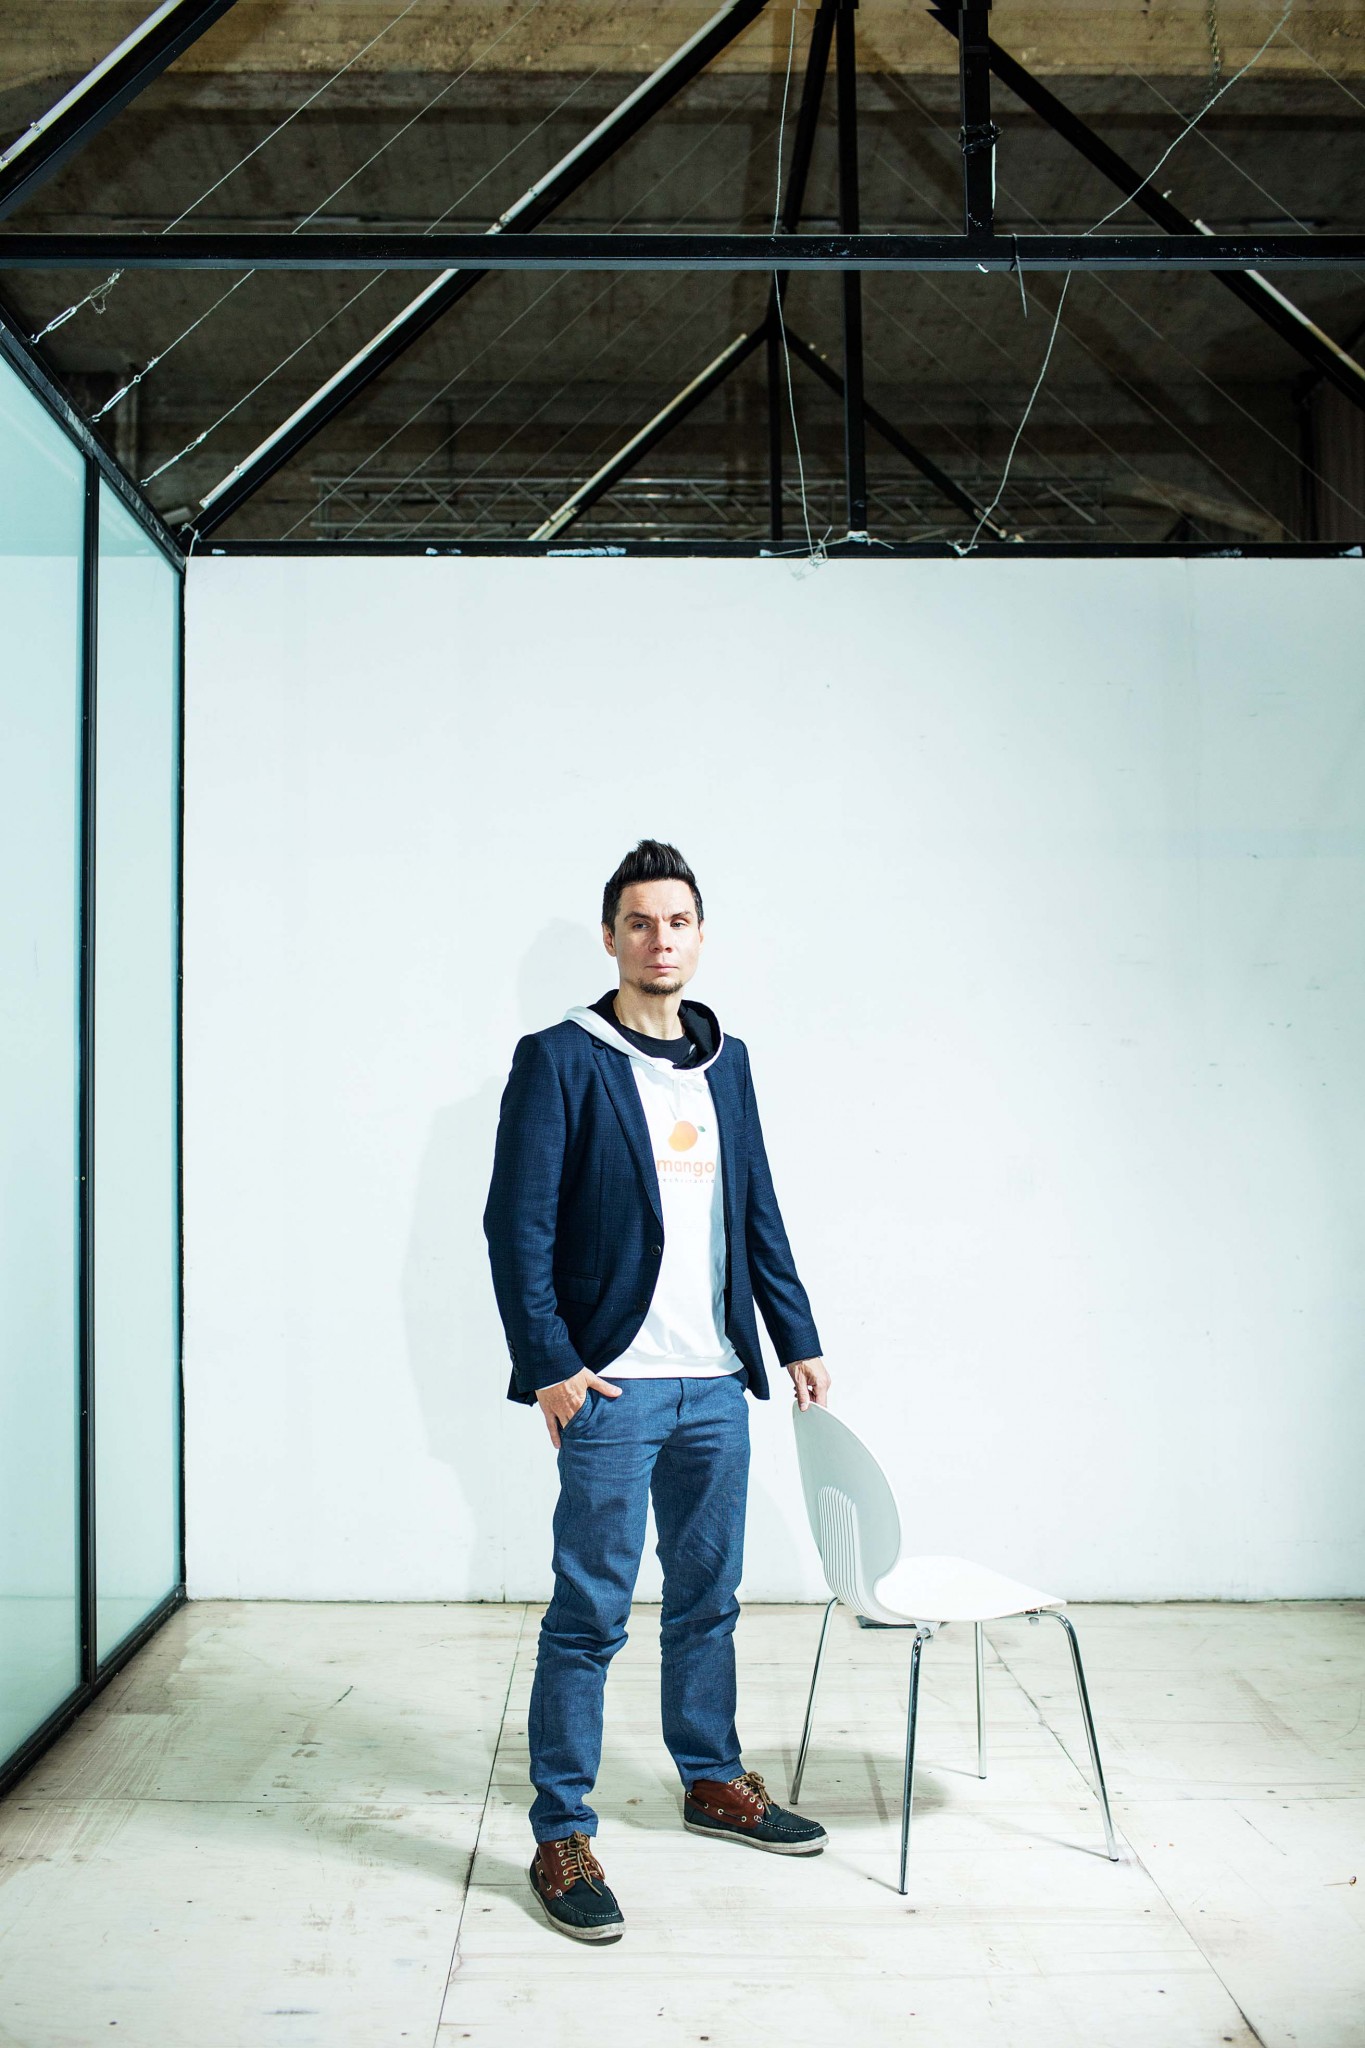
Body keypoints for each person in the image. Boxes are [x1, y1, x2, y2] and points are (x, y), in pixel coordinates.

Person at [483, 838, 831, 1944]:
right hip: (612, 1389)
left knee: (708, 1599)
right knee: (588, 1613)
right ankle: (560, 1828)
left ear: (699, 935)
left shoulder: (727, 1062)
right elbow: (516, 1224)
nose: (659, 939)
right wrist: (551, 1366)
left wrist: (794, 1335)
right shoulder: (561, 1058)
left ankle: (711, 1776)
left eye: (677, 921)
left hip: (714, 1383)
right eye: (639, 922)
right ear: (611, 937)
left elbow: (757, 1206)